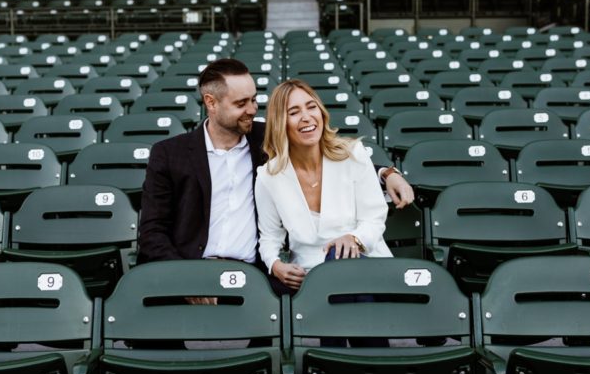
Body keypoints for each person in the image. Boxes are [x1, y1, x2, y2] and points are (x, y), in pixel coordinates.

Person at [138, 58, 414, 275]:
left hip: (251, 271)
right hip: (191, 266)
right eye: (241, 103)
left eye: (254, 99)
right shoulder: (169, 153)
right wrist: (183, 276)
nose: (252, 110)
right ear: (211, 102)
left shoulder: (267, 137)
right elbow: (152, 231)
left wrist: (386, 172)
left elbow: (326, 150)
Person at [255, 79, 392, 295]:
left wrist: (354, 238)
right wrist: (275, 264)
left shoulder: (353, 154)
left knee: (338, 257)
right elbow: (270, 236)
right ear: (280, 123)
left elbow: (374, 218)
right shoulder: (268, 176)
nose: (307, 117)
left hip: (366, 265)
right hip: (309, 276)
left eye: (311, 107)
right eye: (294, 112)